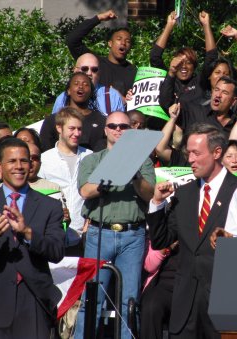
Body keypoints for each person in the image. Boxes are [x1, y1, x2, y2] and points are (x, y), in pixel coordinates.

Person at [146, 123, 237, 338]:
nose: (190, 159)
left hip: (222, 303)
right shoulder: (184, 193)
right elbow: (162, 239)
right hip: (185, 305)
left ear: (217, 153)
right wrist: (156, 204)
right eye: (188, 153)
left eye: (196, 153)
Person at [74, 111, 155, 339]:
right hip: (100, 234)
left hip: (132, 235)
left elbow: (149, 195)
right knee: (92, 299)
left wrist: (136, 176)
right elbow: (85, 190)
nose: (118, 129)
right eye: (113, 126)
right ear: (105, 129)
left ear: (131, 130)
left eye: (123, 126)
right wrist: (109, 177)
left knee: (130, 301)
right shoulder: (92, 160)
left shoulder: (144, 160)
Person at [0, 137, 65, 338]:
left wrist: (28, 232)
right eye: (12, 161)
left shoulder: (50, 206)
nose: (19, 166)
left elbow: (56, 251)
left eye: (24, 161)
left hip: (34, 300)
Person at [39, 107, 92, 254]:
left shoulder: (91, 157)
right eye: (72, 128)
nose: (76, 133)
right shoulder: (45, 159)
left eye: (79, 129)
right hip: (54, 234)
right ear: (59, 128)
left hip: (85, 235)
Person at [155, 11, 217, 112]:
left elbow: (212, 57)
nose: (184, 66)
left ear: (194, 66)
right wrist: (169, 26)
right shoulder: (169, 78)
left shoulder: (200, 81)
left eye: (188, 62)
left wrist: (206, 25)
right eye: (180, 62)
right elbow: (155, 56)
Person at [66, 10, 137, 98]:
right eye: (119, 39)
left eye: (128, 41)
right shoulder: (94, 64)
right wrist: (99, 18)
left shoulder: (133, 72)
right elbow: (72, 40)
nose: (123, 43)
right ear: (110, 43)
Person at [40, 72, 106, 152]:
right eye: (76, 83)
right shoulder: (52, 121)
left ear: (91, 92)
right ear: (68, 90)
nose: (81, 86)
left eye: (85, 84)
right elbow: (45, 151)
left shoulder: (102, 121)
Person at [51, 53, 124, 115]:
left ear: (99, 74)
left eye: (94, 70)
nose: (89, 73)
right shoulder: (63, 98)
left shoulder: (112, 96)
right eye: (84, 69)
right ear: (75, 71)